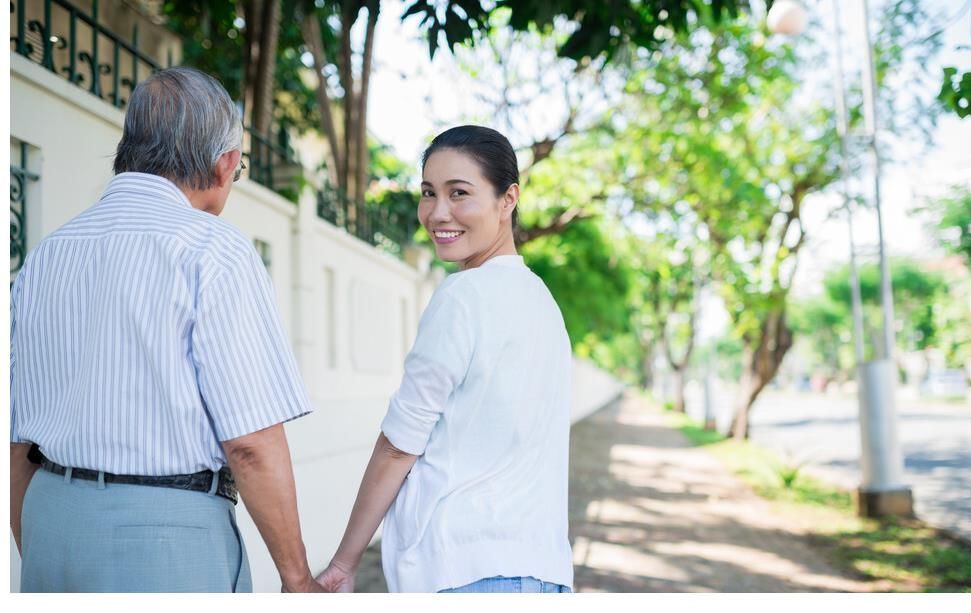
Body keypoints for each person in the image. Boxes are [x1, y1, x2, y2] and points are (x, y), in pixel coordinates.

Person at [9, 67, 323, 593]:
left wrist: (39, 540)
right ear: (224, 165)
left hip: (50, 520)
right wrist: (296, 578)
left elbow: (18, 438)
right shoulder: (213, 250)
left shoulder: (47, 255)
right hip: (165, 540)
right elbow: (251, 443)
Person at [315, 125, 574, 593]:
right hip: (542, 573)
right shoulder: (544, 305)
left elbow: (400, 444)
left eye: (460, 193)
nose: (438, 213)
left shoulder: (464, 295)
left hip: (466, 570)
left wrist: (344, 562)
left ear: (507, 199)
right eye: (429, 193)